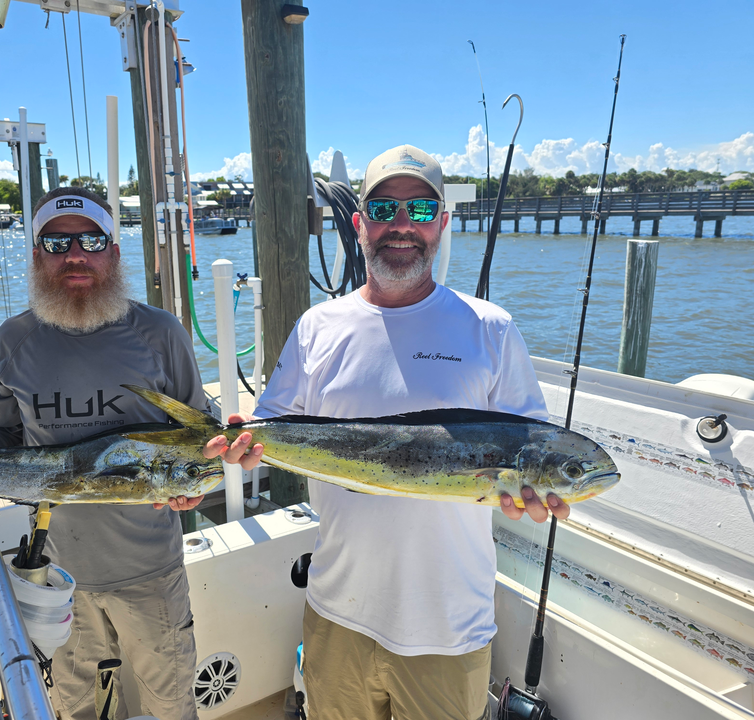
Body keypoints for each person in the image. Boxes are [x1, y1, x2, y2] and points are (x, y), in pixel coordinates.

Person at [207, 145, 572, 720]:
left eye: (421, 211)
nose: (402, 226)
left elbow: (529, 447)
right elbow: (268, 429)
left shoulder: (492, 329)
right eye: (385, 209)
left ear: (443, 224)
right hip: (336, 613)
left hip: (448, 625)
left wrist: (531, 499)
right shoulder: (317, 327)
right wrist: (243, 444)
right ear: (360, 224)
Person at [0, 186, 205, 720]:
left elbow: (199, 443)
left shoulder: (161, 334)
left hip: (153, 571)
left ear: (115, 250)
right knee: (73, 708)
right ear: (36, 256)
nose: (75, 255)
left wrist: (189, 490)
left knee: (172, 706)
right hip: (55, 574)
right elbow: (7, 450)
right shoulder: (11, 342)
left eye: (91, 240)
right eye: (57, 244)